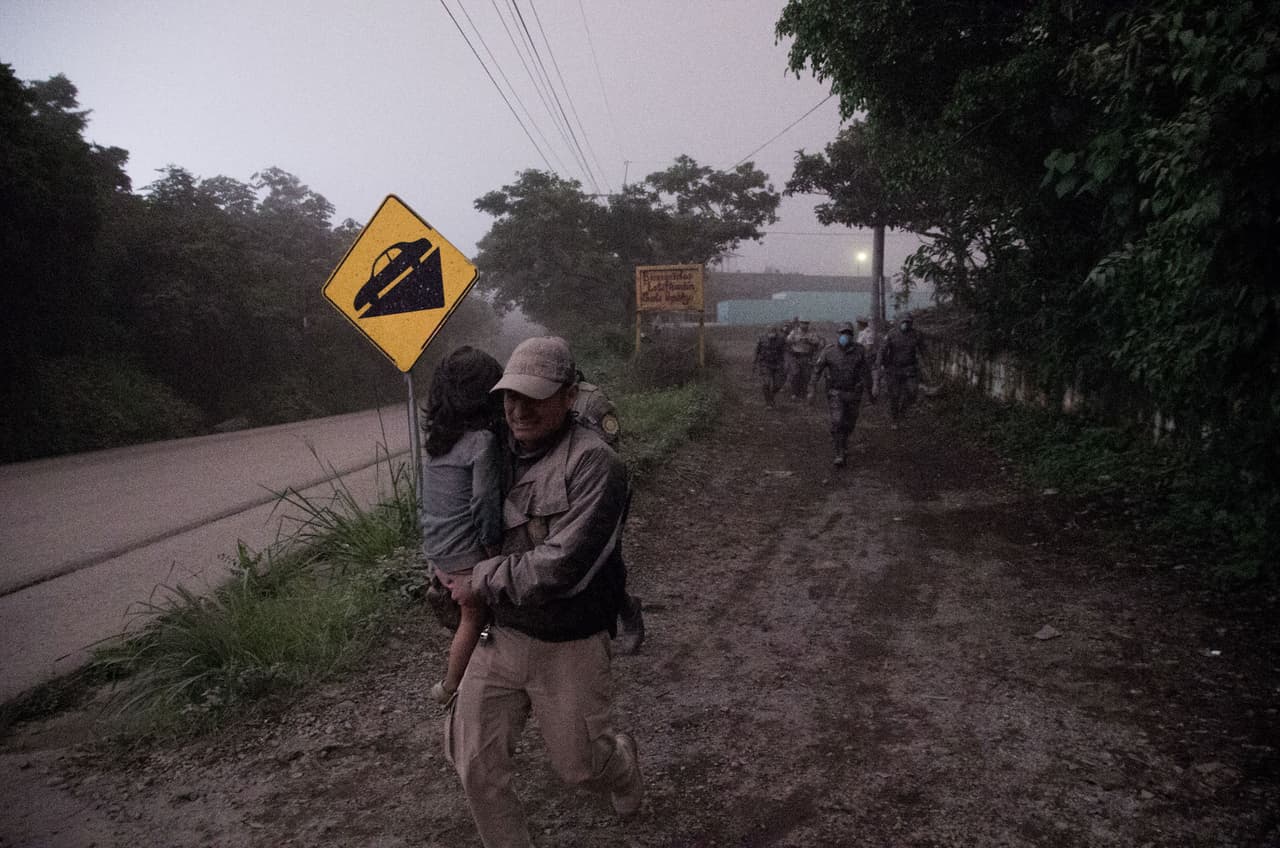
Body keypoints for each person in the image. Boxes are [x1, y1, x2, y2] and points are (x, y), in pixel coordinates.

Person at [445, 336, 642, 847]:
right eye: (510, 395)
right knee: (475, 764)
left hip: (569, 639)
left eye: (534, 395)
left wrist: (478, 580)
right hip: (501, 634)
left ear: (570, 396)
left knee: (581, 768)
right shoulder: (492, 452)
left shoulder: (597, 463)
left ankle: (619, 761)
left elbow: (564, 567)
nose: (517, 408)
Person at [419, 347, 506, 707]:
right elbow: (484, 504)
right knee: (476, 615)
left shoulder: (437, 443)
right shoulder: (481, 442)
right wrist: (493, 551)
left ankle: (474, 663)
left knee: (470, 617)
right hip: (465, 553)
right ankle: (451, 686)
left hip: (438, 550)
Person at [572, 370, 645, 654]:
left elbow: (609, 450)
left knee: (604, 559)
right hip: (559, 494)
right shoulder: (538, 397)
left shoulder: (593, 400)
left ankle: (629, 614)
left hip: (601, 490)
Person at [810, 323, 875, 466]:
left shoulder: (859, 351)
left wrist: (871, 392)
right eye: (842, 333)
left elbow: (866, 372)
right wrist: (812, 389)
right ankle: (839, 453)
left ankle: (843, 441)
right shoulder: (829, 351)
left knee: (850, 424)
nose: (844, 336)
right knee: (838, 421)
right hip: (835, 392)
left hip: (853, 393)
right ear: (838, 335)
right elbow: (817, 370)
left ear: (852, 336)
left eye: (848, 333)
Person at [878, 313, 925, 427]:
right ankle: (895, 419)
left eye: (908, 322)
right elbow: (882, 350)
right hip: (894, 369)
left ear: (911, 323)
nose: (905, 324)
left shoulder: (916, 335)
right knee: (894, 395)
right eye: (903, 322)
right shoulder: (891, 334)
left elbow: (923, 350)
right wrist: (880, 364)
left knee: (912, 393)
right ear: (899, 322)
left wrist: (926, 364)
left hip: (910, 368)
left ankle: (903, 414)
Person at [784, 318, 822, 400]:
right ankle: (794, 393)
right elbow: (788, 340)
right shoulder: (794, 332)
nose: (804, 325)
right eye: (803, 323)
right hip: (795, 355)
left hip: (806, 356)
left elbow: (817, 341)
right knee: (795, 374)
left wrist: (809, 340)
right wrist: (795, 339)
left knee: (806, 375)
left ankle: (803, 393)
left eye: (806, 323)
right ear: (800, 323)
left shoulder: (811, 333)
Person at [752, 325, 788, 407]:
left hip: (778, 364)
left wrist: (786, 363)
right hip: (765, 364)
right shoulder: (761, 338)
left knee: (778, 384)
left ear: (776, 332)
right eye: (770, 332)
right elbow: (756, 351)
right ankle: (768, 403)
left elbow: (786, 351)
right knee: (766, 383)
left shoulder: (781, 339)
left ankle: (771, 396)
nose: (772, 334)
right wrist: (754, 363)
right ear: (767, 332)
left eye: (773, 332)